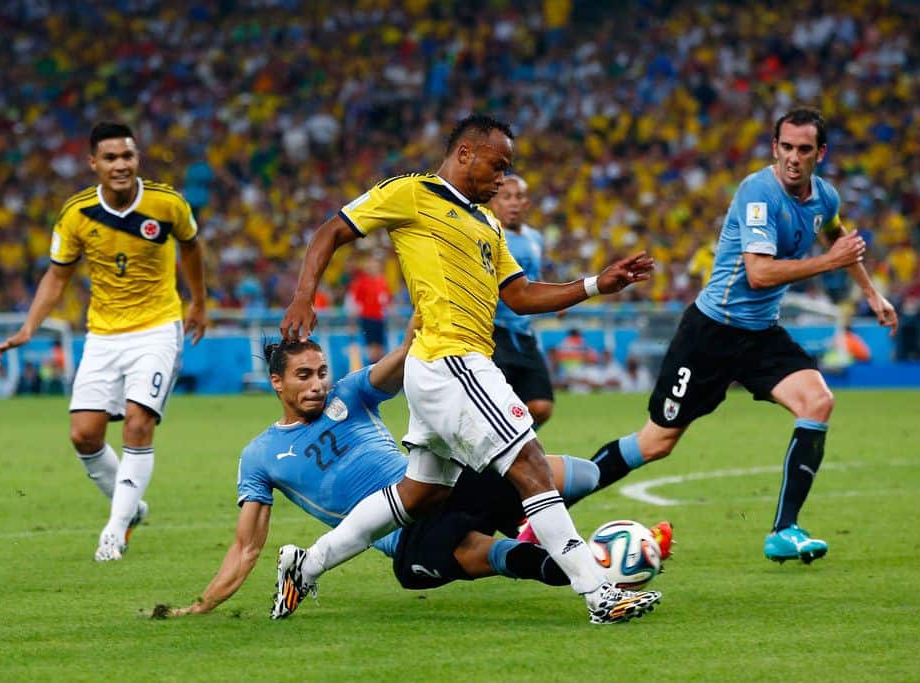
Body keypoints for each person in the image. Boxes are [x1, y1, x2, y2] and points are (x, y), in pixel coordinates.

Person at [278, 113, 659, 624]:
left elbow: (520, 296)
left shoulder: (488, 224)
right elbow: (331, 230)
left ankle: (305, 566)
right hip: (449, 359)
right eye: (497, 166)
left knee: (420, 492)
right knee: (532, 466)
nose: (502, 179)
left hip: (447, 364)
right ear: (465, 154)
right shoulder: (411, 193)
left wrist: (595, 284)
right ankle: (598, 594)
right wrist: (304, 297)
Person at [582, 107, 898, 564]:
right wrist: (830, 262)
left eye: (804, 149)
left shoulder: (824, 197)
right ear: (775, 148)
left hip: (759, 335)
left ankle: (784, 531)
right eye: (786, 147)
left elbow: (837, 236)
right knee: (656, 443)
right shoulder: (758, 192)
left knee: (818, 400)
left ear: (820, 154)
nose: (793, 157)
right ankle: (546, 512)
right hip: (710, 334)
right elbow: (759, 273)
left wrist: (872, 294)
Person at [162, 325, 626, 617]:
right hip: (409, 537)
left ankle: (569, 548)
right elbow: (246, 547)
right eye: (304, 376)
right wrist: (201, 606)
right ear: (277, 382)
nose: (318, 384)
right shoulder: (260, 456)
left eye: (322, 371)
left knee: (573, 473)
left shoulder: (351, 394)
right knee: (506, 559)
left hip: (445, 488)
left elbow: (403, 357)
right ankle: (606, 582)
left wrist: (427, 319)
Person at [0, 121, 207, 561]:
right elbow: (57, 275)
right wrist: (30, 327)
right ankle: (133, 507)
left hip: (158, 328)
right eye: (110, 158)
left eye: (127, 156)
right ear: (94, 164)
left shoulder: (167, 204)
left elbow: (192, 248)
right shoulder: (76, 214)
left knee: (138, 423)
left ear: (137, 158)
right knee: (84, 435)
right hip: (103, 334)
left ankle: (116, 528)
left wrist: (199, 301)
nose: (120, 165)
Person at [488, 175, 555, 428]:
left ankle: (516, 451)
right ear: (494, 202)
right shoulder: (488, 235)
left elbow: (534, 278)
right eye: (506, 197)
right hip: (493, 332)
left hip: (524, 332)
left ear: (527, 203)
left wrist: (555, 299)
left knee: (541, 406)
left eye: (519, 197)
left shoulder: (535, 238)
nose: (514, 203)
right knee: (499, 408)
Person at [346, 254, 392, 364]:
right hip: (368, 318)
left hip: (380, 319)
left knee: (380, 347)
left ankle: (380, 370)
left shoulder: (382, 281)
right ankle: (374, 370)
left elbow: (387, 299)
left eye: (376, 265)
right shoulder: (362, 282)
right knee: (372, 348)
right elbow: (355, 303)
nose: (374, 268)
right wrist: (352, 321)